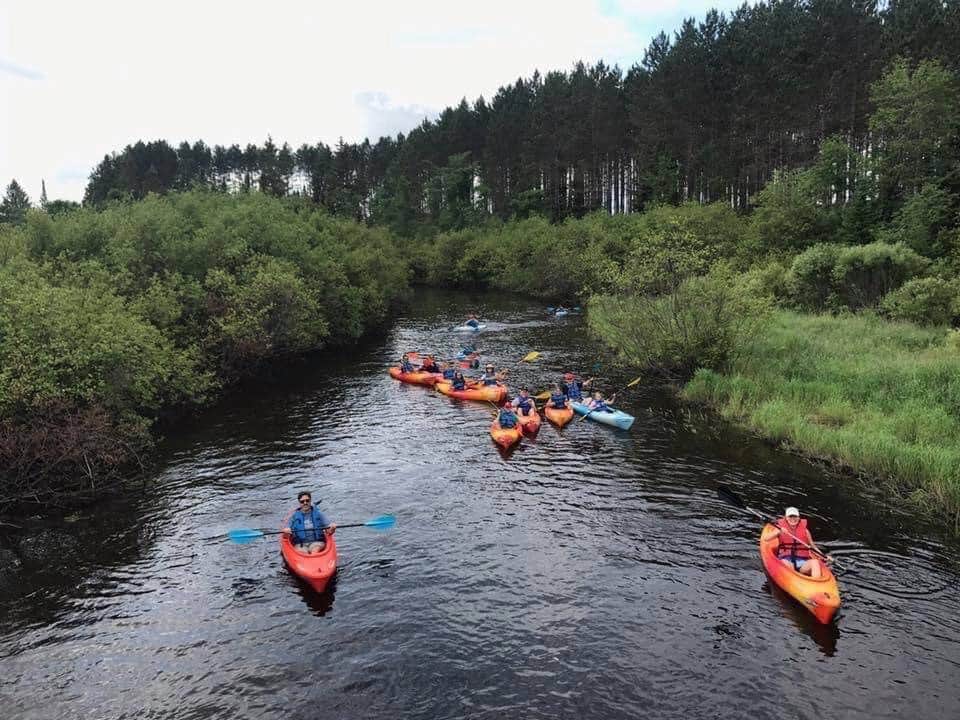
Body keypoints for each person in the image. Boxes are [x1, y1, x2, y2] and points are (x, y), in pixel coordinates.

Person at [774, 507, 832, 579]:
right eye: (790, 516)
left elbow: (813, 546)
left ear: (799, 518)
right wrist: (778, 532)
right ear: (786, 518)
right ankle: (793, 581)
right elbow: (767, 539)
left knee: (815, 562)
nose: (793, 519)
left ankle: (815, 583)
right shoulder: (780, 529)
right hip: (787, 560)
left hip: (802, 563)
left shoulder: (805, 531)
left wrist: (824, 557)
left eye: (795, 516)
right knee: (785, 563)